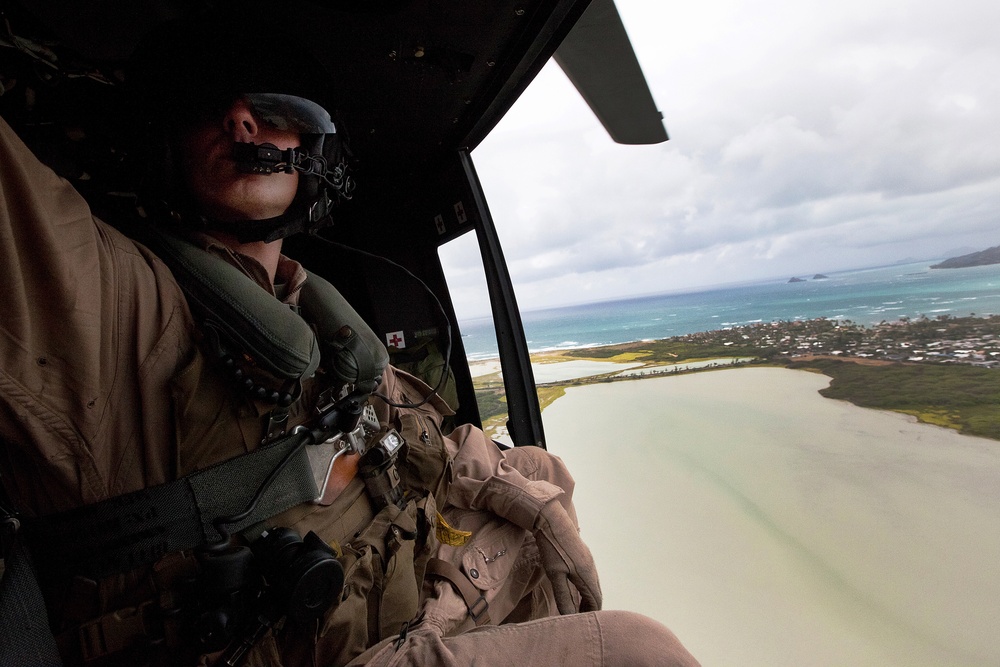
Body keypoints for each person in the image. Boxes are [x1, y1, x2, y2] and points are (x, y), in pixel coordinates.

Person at [0, 13, 699, 667]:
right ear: (163, 141)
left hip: (409, 592)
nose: (243, 120)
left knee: (537, 469)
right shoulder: (117, 305)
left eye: (272, 108)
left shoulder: (314, 321)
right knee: (642, 652)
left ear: (313, 146)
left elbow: (419, 435)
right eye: (210, 110)